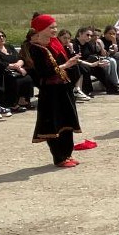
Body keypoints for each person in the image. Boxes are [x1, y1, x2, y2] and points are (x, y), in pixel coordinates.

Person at [22, 14, 83, 167]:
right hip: (51, 91)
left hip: (63, 87)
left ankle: (67, 154)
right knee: (54, 123)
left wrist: (71, 60)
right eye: (51, 27)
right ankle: (59, 157)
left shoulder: (55, 44)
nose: (55, 30)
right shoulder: (36, 48)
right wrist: (66, 65)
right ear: (41, 29)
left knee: (67, 120)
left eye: (55, 27)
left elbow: (64, 63)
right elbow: (44, 72)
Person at [0, 29, 35, 110]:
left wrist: (18, 65)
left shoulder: (9, 47)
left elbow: (20, 58)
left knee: (27, 78)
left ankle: (22, 100)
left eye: (3, 36)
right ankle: (12, 103)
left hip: (15, 70)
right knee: (14, 79)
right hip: (1, 73)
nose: (1, 38)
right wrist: (16, 67)